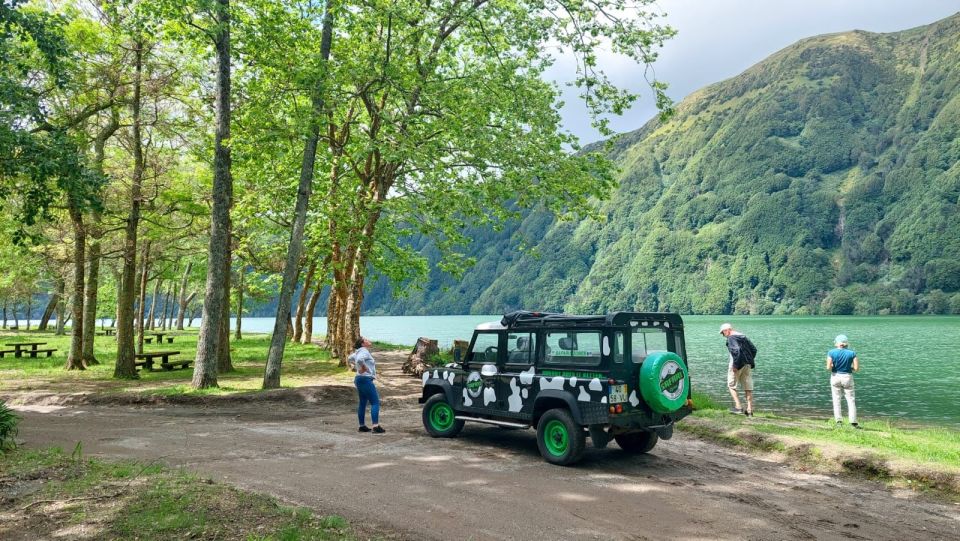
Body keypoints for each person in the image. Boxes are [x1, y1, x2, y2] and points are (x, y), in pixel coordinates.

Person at [347, 336, 385, 434]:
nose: (369, 340)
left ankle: (362, 426)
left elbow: (349, 358)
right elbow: (359, 360)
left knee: (363, 403)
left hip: (359, 379)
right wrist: (363, 368)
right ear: (363, 344)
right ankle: (376, 427)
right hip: (365, 379)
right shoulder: (364, 351)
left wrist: (358, 368)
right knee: (375, 402)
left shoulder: (358, 351)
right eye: (366, 340)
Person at [720, 323, 757, 416]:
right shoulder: (743, 336)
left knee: (731, 385)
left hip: (737, 365)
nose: (723, 335)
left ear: (727, 330)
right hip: (747, 364)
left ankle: (738, 407)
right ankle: (749, 410)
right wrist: (749, 360)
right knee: (748, 387)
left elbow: (736, 351)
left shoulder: (731, 338)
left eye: (722, 333)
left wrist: (735, 365)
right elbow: (754, 350)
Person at [827, 334, 860, 428]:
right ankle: (853, 422)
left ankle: (839, 422)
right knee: (851, 400)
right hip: (847, 377)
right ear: (846, 343)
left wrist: (834, 367)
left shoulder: (831, 352)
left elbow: (828, 367)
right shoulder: (852, 353)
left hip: (835, 377)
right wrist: (850, 368)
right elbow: (857, 368)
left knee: (836, 399)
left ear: (836, 343)